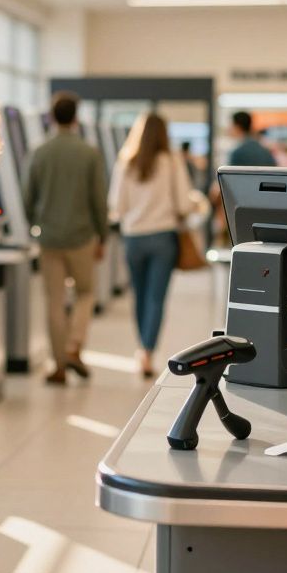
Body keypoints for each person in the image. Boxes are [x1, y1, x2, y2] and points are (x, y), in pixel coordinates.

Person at [24, 91, 108, 385]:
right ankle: (74, 346)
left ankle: (58, 365)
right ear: (75, 117)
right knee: (85, 293)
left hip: (49, 239)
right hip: (82, 236)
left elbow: (27, 197)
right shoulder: (90, 153)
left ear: (51, 117)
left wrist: (35, 226)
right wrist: (103, 236)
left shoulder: (39, 151)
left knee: (54, 301)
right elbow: (99, 199)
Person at [109, 112, 196, 378]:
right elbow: (183, 203)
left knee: (139, 294)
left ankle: (141, 348)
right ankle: (147, 352)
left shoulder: (127, 163)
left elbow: (116, 206)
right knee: (156, 298)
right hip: (163, 237)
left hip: (133, 237)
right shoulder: (172, 162)